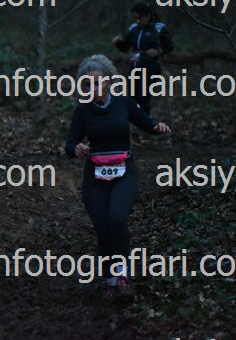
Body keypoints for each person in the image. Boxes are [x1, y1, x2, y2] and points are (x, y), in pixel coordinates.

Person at [65, 55, 170, 298]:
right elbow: (70, 145)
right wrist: (76, 148)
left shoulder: (123, 103)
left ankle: (122, 275)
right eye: (88, 84)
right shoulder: (82, 110)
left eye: (98, 82)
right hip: (95, 175)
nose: (93, 88)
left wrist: (158, 127)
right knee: (102, 228)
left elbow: (148, 123)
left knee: (116, 219)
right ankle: (110, 280)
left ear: (109, 82)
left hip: (124, 171)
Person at [112, 2, 174, 115]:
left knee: (144, 96)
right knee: (132, 96)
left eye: (140, 18)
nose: (138, 21)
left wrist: (158, 51)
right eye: (135, 18)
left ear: (148, 16)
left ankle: (145, 121)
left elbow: (169, 46)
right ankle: (135, 120)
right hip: (135, 67)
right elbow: (125, 47)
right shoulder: (134, 29)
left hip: (151, 68)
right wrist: (118, 42)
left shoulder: (158, 28)